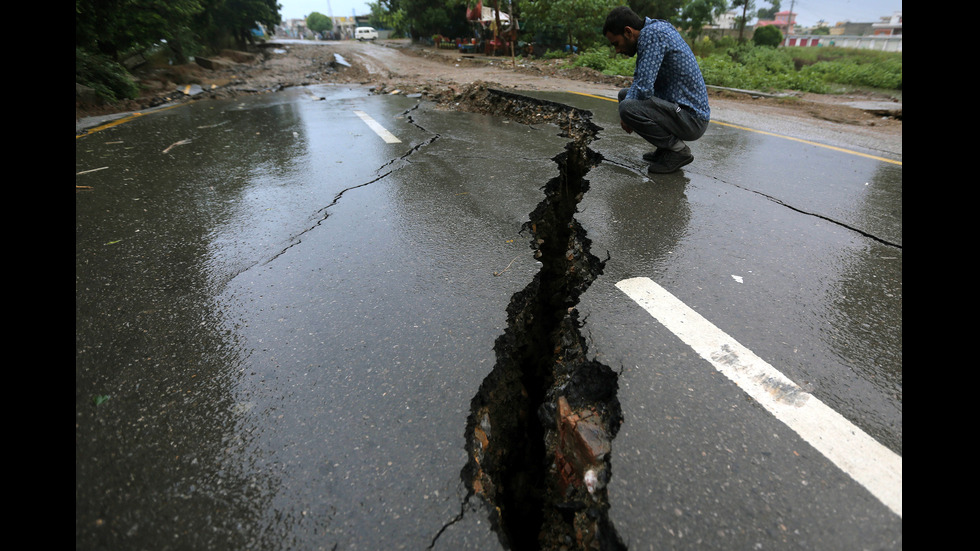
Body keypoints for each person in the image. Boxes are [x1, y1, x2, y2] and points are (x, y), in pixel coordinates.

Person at [602, 6, 711, 174]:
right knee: (624, 97)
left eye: (616, 43)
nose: (617, 50)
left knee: (627, 107)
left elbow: (644, 88)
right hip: (680, 111)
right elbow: (641, 81)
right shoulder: (654, 29)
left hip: (691, 118)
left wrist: (625, 116)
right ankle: (665, 148)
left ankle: (677, 150)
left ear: (628, 32)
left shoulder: (652, 35)